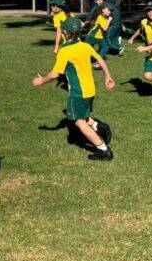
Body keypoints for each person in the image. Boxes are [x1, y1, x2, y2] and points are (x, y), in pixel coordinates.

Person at [33, 17, 116, 161]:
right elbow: (100, 60)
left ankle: (103, 149)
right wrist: (107, 76)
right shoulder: (85, 46)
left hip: (78, 92)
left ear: (65, 33)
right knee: (84, 116)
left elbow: (55, 74)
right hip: (90, 89)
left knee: (79, 122)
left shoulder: (65, 51)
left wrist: (42, 80)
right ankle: (100, 126)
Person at [85, 1, 112, 68]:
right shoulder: (100, 17)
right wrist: (109, 21)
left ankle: (98, 62)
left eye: (110, 11)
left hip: (100, 37)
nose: (109, 12)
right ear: (103, 10)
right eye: (108, 10)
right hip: (92, 36)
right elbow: (105, 28)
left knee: (105, 47)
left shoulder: (105, 17)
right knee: (86, 49)